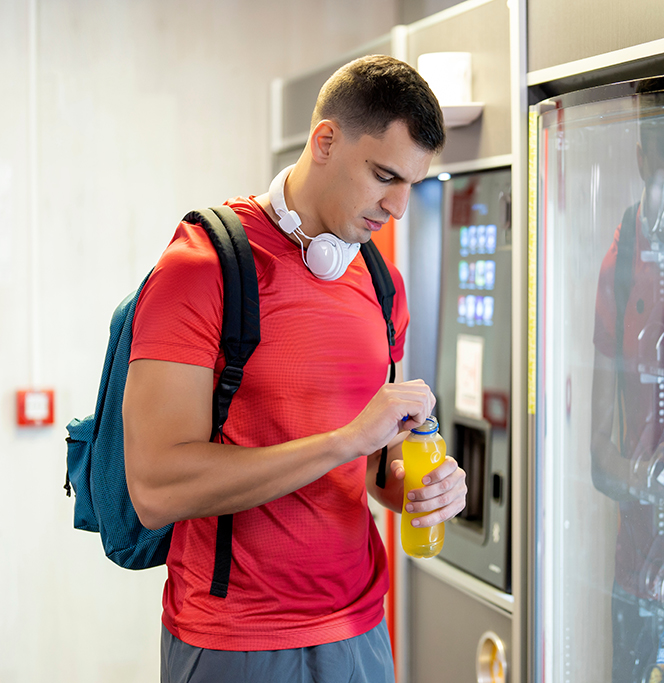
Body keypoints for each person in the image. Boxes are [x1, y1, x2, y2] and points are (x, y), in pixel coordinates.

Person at [122, 55, 467, 683]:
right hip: (234, 641)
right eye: (384, 175)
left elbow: (369, 470)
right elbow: (155, 489)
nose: (398, 207)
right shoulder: (201, 268)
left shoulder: (382, 284)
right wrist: (346, 440)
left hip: (361, 630)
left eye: (411, 184)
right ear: (326, 141)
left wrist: (417, 482)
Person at [589, 77, 664, 683]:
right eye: (660, 144)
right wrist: (660, 484)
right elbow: (598, 459)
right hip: (637, 575)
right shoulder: (622, 260)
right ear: (640, 157)